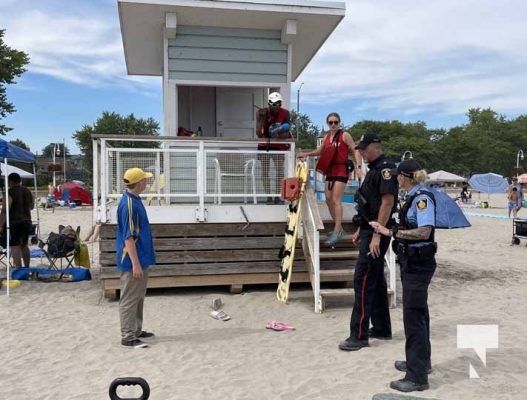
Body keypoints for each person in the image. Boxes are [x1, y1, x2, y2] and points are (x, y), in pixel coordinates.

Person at [370, 159, 436, 393]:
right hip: (413, 262)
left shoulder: (421, 199)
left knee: (413, 318)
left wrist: (391, 232)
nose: (396, 178)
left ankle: (417, 377)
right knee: (420, 315)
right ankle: (421, 363)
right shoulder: (412, 196)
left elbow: (425, 231)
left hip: (418, 265)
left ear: (406, 177)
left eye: (399, 175)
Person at [338, 133, 398, 351]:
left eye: (364, 149)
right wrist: (361, 230)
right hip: (368, 229)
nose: (361, 152)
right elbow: (370, 205)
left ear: (376, 147)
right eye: (359, 149)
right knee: (376, 280)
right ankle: (381, 327)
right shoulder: (374, 169)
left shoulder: (385, 169)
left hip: (376, 234)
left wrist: (376, 235)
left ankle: (359, 335)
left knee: (362, 281)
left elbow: (387, 203)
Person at [297, 112, 362, 245]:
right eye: (331, 122)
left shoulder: (344, 135)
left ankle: (337, 230)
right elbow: (319, 151)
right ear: (327, 123)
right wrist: (306, 154)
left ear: (339, 123)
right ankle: (339, 228)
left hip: (341, 169)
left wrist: (359, 167)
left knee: (336, 199)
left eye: (335, 122)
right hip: (330, 170)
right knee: (327, 198)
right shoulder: (327, 137)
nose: (333, 125)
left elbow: (355, 149)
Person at [117, 167, 156, 348]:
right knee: (130, 297)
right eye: (145, 179)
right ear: (139, 183)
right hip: (133, 258)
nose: (146, 182)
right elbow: (128, 237)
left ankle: (136, 329)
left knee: (139, 295)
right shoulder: (129, 204)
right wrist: (135, 264)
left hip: (141, 256)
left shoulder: (134, 199)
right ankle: (128, 334)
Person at [256, 92, 292, 204]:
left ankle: (277, 196)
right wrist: (262, 119)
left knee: (280, 171)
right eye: (274, 104)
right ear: (269, 103)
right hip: (264, 145)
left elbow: (287, 133)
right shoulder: (261, 112)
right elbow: (259, 133)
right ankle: (269, 197)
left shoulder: (285, 113)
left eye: (279, 103)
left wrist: (278, 133)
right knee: (264, 172)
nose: (277, 106)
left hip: (279, 145)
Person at [0, 173, 34, 267]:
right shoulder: (27, 191)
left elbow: (4, 211)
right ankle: (27, 267)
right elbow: (31, 206)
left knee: (15, 246)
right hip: (27, 220)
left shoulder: (9, 193)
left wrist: (0, 225)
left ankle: (19, 269)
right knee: (24, 245)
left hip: (15, 222)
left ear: (10, 181)